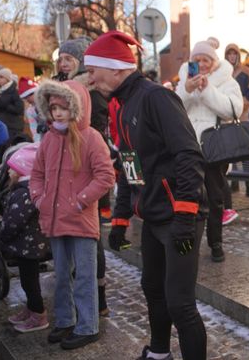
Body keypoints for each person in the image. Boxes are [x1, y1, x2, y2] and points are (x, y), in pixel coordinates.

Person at [86, 31, 208, 360]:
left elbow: (189, 156)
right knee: (152, 288)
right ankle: (158, 353)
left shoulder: (156, 97)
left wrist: (185, 216)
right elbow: (130, 166)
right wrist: (122, 218)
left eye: (93, 68)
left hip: (180, 218)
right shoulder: (122, 106)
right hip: (154, 216)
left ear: (115, 68)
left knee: (180, 303)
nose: (90, 77)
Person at [30, 79, 114, 350]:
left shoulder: (91, 138)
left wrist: (81, 201)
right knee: (61, 275)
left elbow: (105, 176)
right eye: (53, 108)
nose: (57, 113)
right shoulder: (49, 140)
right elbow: (37, 175)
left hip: (80, 219)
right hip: (55, 219)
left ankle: (87, 325)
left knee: (85, 276)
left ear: (76, 109)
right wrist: (39, 199)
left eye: (63, 108)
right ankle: (65, 320)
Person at [54, 37, 113, 316]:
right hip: (63, 171)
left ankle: (98, 299)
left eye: (68, 58)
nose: (63, 63)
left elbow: (97, 129)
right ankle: (78, 300)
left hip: (85, 169)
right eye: (61, 58)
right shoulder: (59, 88)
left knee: (91, 236)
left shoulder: (92, 91)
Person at [176, 37, 244, 262]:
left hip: (215, 147)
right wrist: (186, 90)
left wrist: (207, 91)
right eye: (197, 60)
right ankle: (191, 242)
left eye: (206, 59)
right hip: (188, 146)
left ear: (214, 62)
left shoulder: (227, 80)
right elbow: (175, 109)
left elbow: (233, 110)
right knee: (189, 196)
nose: (202, 64)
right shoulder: (186, 78)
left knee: (214, 198)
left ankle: (216, 242)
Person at [2, 143, 51, 333]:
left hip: (29, 246)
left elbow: (14, 221)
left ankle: (39, 315)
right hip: (29, 245)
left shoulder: (24, 192)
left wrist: (3, 237)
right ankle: (31, 309)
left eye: (12, 170)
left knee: (29, 282)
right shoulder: (25, 189)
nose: (9, 173)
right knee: (27, 281)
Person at [224, 41, 249, 199]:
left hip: (244, 114)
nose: (232, 57)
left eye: (234, 54)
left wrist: (241, 105)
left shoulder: (247, 72)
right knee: (230, 149)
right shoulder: (222, 72)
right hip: (226, 114)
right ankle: (233, 182)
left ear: (238, 55)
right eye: (229, 54)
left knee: (245, 149)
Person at [0, 67, 25, 142]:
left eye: (1, 77)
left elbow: (19, 109)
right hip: (0, 126)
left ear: (7, 78)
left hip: (12, 127)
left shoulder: (14, 91)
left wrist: (1, 104)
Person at [18, 77, 45, 142]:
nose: (27, 99)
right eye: (25, 97)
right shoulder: (30, 111)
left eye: (29, 95)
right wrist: (38, 143)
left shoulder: (49, 103)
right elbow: (34, 128)